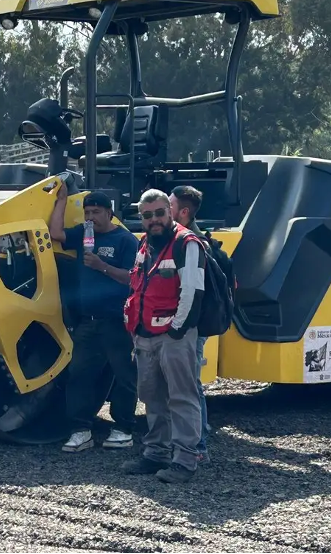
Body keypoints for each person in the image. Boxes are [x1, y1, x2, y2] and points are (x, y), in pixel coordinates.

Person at [122, 188, 206, 483]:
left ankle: (185, 460)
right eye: (148, 216)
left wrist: (176, 331)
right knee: (151, 396)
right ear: (141, 218)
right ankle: (156, 453)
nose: (154, 219)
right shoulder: (145, 243)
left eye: (159, 213)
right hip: (145, 335)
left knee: (181, 398)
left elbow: (192, 292)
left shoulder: (187, 243)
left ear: (171, 213)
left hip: (174, 336)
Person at [48, 185, 140, 453]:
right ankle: (80, 430)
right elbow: (56, 234)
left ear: (109, 213)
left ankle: (123, 428)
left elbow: (134, 279)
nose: (91, 217)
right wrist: (62, 201)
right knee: (79, 374)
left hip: (116, 321)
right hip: (87, 321)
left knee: (123, 375)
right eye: (87, 211)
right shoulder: (84, 234)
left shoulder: (126, 241)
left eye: (96, 212)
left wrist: (102, 266)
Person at [169, 185, 211, 465]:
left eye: (167, 207)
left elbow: (192, 293)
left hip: (190, 328)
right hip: (185, 326)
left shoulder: (193, 243)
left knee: (190, 386)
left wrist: (178, 326)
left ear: (183, 212)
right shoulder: (180, 238)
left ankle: (199, 446)